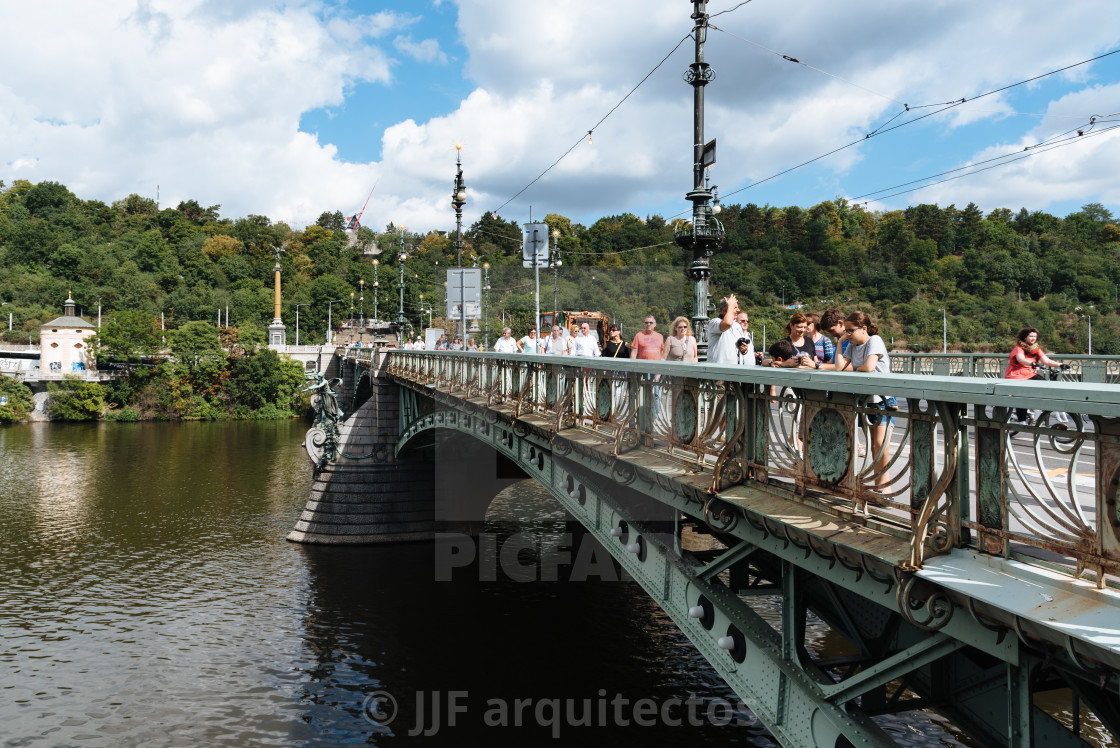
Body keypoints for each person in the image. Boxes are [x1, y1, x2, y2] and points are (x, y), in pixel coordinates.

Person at [834, 311, 892, 487]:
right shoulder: (852, 344)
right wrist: (839, 343)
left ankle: (885, 488)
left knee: (881, 445)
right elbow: (839, 368)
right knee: (874, 446)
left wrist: (856, 370)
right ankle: (878, 487)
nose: (847, 334)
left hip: (883, 400)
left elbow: (868, 367)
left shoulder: (875, 340)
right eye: (846, 331)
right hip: (867, 400)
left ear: (864, 328)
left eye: (850, 330)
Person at [1004, 327, 1062, 421]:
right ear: (1024, 337)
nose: (1033, 338)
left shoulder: (1035, 348)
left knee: (1045, 384)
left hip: (1029, 374)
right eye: (1030, 336)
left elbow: (1046, 360)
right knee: (1022, 397)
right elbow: (1021, 359)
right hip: (1016, 375)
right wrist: (1031, 363)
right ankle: (1021, 420)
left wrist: (1060, 365)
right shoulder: (1018, 348)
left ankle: (1035, 406)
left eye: (1035, 336)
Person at [706, 295, 744, 364]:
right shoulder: (714, 322)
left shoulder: (737, 326)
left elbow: (741, 348)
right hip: (719, 370)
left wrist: (744, 349)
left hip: (736, 370)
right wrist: (730, 306)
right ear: (724, 310)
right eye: (735, 307)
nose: (738, 310)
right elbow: (727, 324)